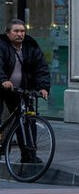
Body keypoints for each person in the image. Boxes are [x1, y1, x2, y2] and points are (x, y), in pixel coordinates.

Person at [0, 19, 50, 162]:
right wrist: (3, 80)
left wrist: (43, 87)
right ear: (8, 33)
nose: (20, 34)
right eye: (16, 31)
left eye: (22, 31)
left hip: (20, 89)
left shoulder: (30, 46)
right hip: (2, 86)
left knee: (27, 120)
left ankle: (28, 156)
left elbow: (41, 67)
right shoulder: (2, 45)